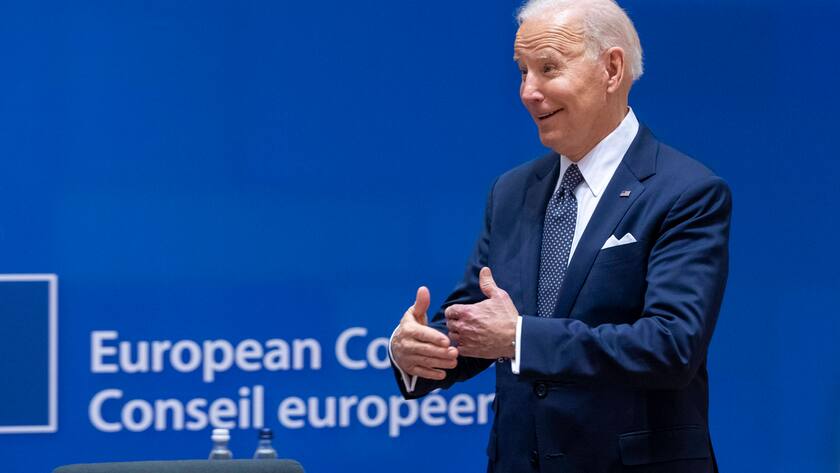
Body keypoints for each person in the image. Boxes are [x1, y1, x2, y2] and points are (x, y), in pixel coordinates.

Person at [389, 0, 730, 471]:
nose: (529, 91)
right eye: (522, 71)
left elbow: (670, 345)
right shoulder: (511, 192)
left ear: (612, 69)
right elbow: (479, 325)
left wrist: (521, 339)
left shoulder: (686, 192)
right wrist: (417, 352)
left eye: (548, 68)